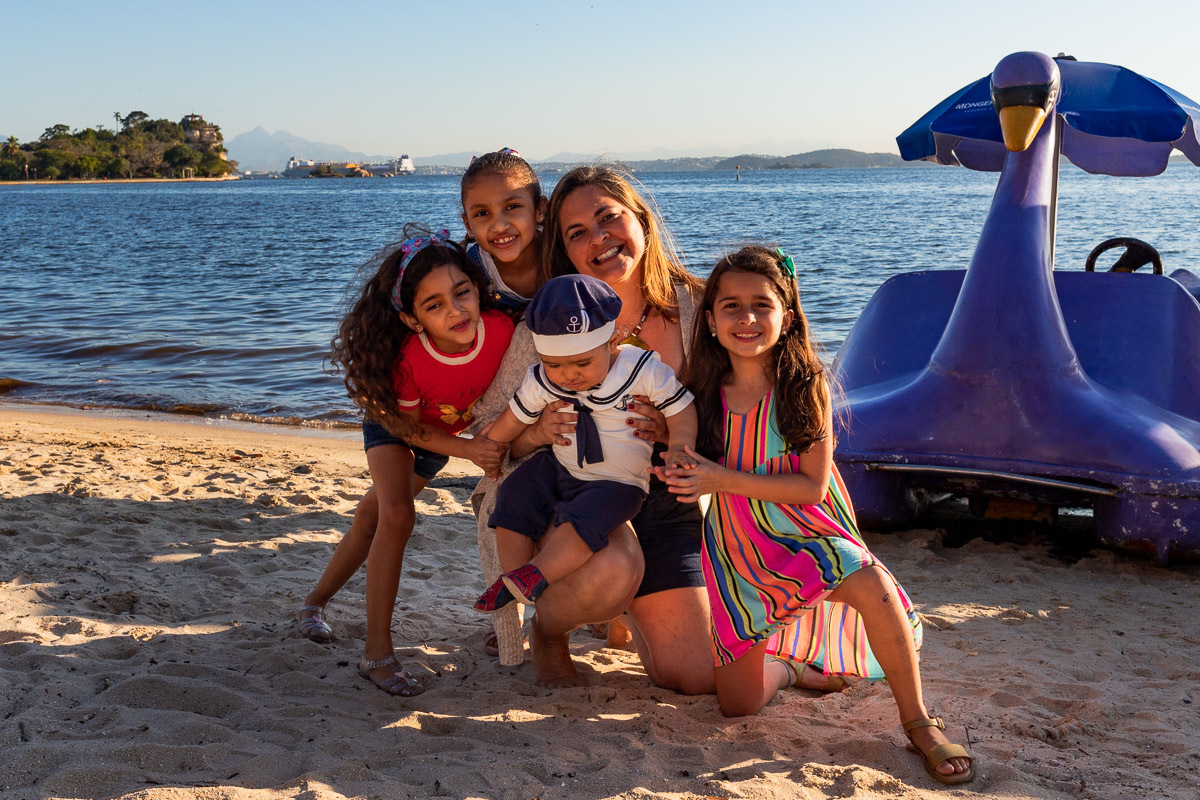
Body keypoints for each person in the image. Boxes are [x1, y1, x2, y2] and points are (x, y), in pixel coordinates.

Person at [657, 245, 974, 785]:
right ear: (709, 321)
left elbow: (811, 486)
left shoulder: (805, 387)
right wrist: (661, 440)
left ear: (787, 314)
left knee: (871, 583)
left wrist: (718, 480)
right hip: (738, 545)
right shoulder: (702, 393)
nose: (747, 318)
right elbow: (686, 456)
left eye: (762, 304)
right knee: (738, 705)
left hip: (808, 528)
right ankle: (794, 670)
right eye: (730, 306)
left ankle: (918, 719)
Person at [469, 165, 714, 693]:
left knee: (692, 677)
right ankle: (551, 629)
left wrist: (676, 437)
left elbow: (753, 413)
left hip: (671, 504)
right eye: (577, 232)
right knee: (611, 569)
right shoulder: (553, 324)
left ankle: (629, 612)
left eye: (609, 218)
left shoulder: (702, 309)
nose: (599, 239)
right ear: (565, 250)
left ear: (642, 221)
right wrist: (537, 433)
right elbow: (489, 424)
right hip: (574, 494)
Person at [298, 227, 514, 697]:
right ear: (413, 319)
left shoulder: (502, 331)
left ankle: (312, 603)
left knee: (372, 516)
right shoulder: (411, 360)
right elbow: (407, 428)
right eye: (434, 305)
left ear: (479, 289)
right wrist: (471, 450)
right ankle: (377, 653)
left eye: (462, 293)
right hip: (397, 424)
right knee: (396, 515)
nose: (456, 310)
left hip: (445, 433)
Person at [473, 274, 697, 614]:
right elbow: (513, 418)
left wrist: (679, 445)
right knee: (515, 490)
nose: (568, 376)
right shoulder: (543, 378)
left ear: (611, 344)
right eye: (555, 365)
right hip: (561, 465)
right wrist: (490, 448)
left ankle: (537, 574)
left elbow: (681, 408)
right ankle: (513, 579)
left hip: (616, 481)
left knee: (587, 518)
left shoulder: (640, 369)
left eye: (582, 363)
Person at [460, 147, 546, 311]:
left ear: (539, 210)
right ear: (468, 225)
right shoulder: (469, 273)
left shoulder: (565, 252)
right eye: (482, 213)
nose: (499, 226)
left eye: (512, 207)